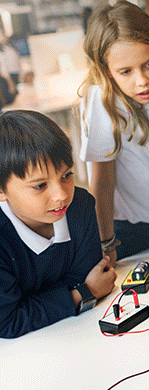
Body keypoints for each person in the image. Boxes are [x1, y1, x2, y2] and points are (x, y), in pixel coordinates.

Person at [79, 1, 149, 264]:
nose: (141, 80)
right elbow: (103, 183)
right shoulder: (102, 102)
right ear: (107, 71)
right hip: (122, 231)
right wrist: (105, 245)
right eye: (125, 72)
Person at [0, 110, 117, 338]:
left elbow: (86, 274)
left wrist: (35, 304)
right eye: (39, 186)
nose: (61, 195)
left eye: (67, 175)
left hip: (78, 334)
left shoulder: (80, 207)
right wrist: (83, 293)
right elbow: (8, 321)